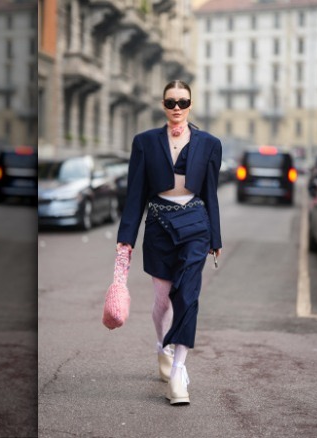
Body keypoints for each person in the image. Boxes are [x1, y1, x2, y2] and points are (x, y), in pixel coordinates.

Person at [116, 80, 223, 406]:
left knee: (187, 297)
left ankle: (179, 372)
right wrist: (125, 242)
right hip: (159, 226)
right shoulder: (145, 142)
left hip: (195, 225)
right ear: (163, 104)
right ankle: (161, 345)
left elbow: (211, 194)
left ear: (191, 104)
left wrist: (215, 237)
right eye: (171, 102)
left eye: (182, 102)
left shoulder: (209, 143)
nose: (177, 108)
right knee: (163, 300)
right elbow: (134, 196)